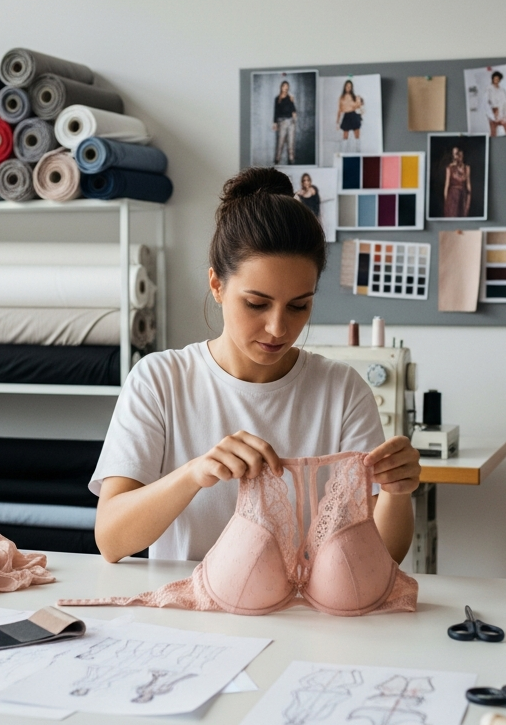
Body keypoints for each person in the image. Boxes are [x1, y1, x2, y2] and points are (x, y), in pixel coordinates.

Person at [92, 168, 421, 563]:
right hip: (186, 621)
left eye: (300, 305)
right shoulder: (160, 380)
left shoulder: (342, 391)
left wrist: (396, 494)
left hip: (302, 619)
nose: (278, 327)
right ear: (217, 285)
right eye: (256, 303)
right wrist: (195, 474)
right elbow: (111, 540)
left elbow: (382, 558)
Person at [272, 81, 298, 164]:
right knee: (280, 143)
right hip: (282, 122)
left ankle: (291, 160)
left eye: (287, 86)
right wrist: (275, 123)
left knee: (291, 143)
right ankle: (277, 160)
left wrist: (292, 101)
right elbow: (276, 111)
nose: (286, 88)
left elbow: (293, 110)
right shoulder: (277, 99)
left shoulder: (290, 97)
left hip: (290, 122)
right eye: (284, 86)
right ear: (281, 87)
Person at [443, 147, 471, 218]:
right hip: (452, 197)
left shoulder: (466, 168)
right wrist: (447, 203)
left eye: (459, 154)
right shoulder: (450, 168)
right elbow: (447, 186)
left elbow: (468, 186)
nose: (458, 157)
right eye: (456, 154)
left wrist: (468, 203)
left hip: (462, 197)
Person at [484, 71, 506, 137]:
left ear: (499, 80)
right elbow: (486, 103)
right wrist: (492, 115)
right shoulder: (489, 89)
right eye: (495, 79)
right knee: (493, 133)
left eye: (497, 79)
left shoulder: (502, 90)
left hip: (502, 114)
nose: (496, 80)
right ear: (492, 79)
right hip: (493, 114)